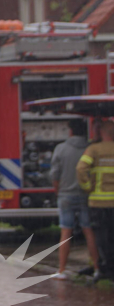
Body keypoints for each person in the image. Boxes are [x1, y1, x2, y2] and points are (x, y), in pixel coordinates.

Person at [51, 119, 99, 279]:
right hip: (86, 195)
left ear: (70, 131)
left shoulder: (61, 149)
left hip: (65, 195)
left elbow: (55, 174)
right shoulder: (90, 148)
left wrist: (58, 191)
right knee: (88, 230)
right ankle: (97, 267)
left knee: (66, 231)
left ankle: (62, 270)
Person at [76, 119, 114, 279]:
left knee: (103, 237)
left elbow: (80, 169)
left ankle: (107, 268)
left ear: (100, 132)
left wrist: (87, 187)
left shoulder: (94, 150)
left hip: (98, 202)